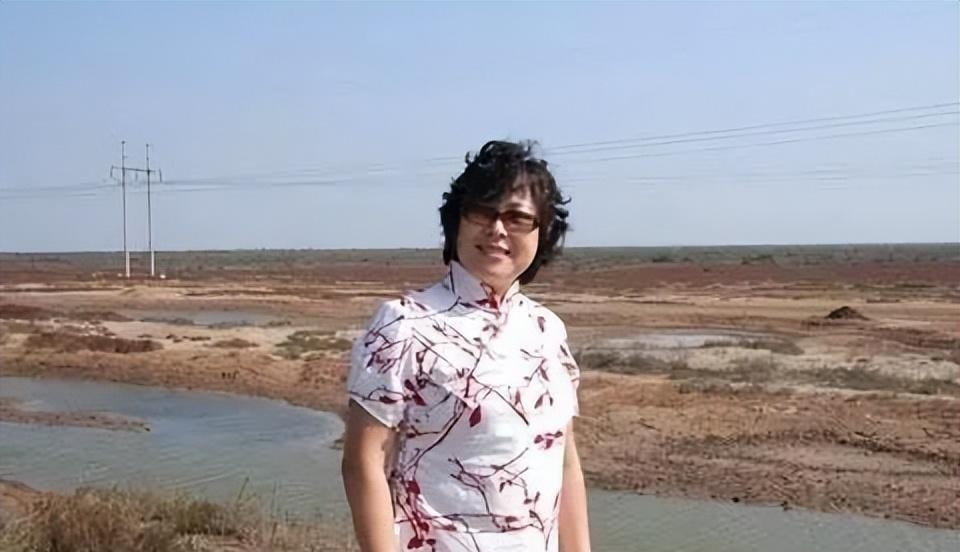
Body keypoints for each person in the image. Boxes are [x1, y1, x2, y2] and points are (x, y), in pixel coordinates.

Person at [342, 140, 590, 552]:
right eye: (482, 211)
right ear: (457, 221)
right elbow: (362, 463)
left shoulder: (547, 330)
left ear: (542, 233)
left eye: (518, 218)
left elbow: (565, 463)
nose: (498, 229)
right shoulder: (405, 324)